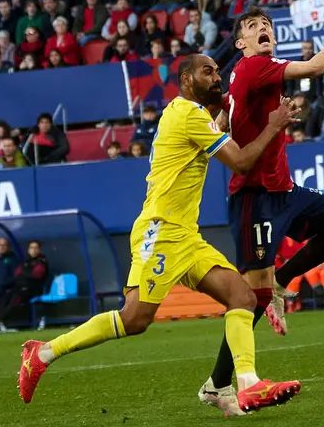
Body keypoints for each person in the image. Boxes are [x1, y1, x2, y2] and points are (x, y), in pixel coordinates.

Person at [18, 54, 302, 414]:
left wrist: (225, 114)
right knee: (135, 318)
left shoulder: (187, 114)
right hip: (162, 230)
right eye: (208, 72)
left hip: (185, 234)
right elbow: (242, 161)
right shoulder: (187, 114)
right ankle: (41, 353)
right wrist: (274, 124)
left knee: (242, 297)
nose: (217, 77)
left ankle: (242, 384)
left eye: (218, 71)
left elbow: (212, 129)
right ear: (186, 80)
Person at [202, 5, 324, 415]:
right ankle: (220, 384)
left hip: (284, 189)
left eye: (268, 26)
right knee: (248, 299)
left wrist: (231, 118)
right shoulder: (255, 67)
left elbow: (223, 119)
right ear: (240, 42)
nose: (264, 30)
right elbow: (314, 67)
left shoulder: (242, 74)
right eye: (254, 26)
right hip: (254, 196)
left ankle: (282, 282)